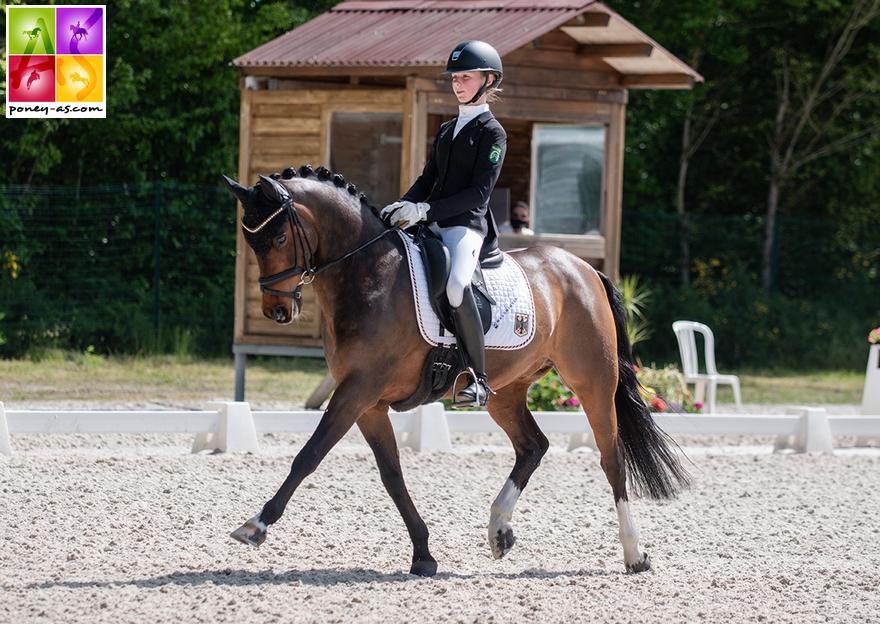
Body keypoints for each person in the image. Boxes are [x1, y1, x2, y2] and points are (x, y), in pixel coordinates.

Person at [381, 40, 506, 408]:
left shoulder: (492, 133)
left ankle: (480, 381)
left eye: (466, 77)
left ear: (488, 79)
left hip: (465, 227)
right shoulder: (447, 129)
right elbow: (427, 179)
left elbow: (477, 194)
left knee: (455, 286)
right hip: (431, 223)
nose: (457, 83)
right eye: (455, 77)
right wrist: (404, 204)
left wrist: (424, 211)